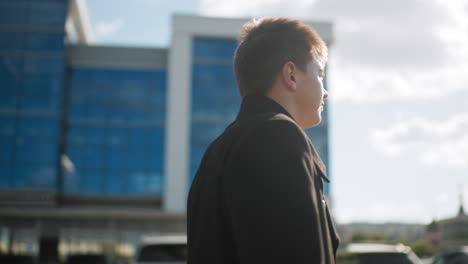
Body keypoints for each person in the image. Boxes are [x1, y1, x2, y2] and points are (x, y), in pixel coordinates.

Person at [187, 17, 340, 264]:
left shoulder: (219, 149)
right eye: (319, 73)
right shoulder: (277, 137)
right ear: (291, 74)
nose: (325, 91)